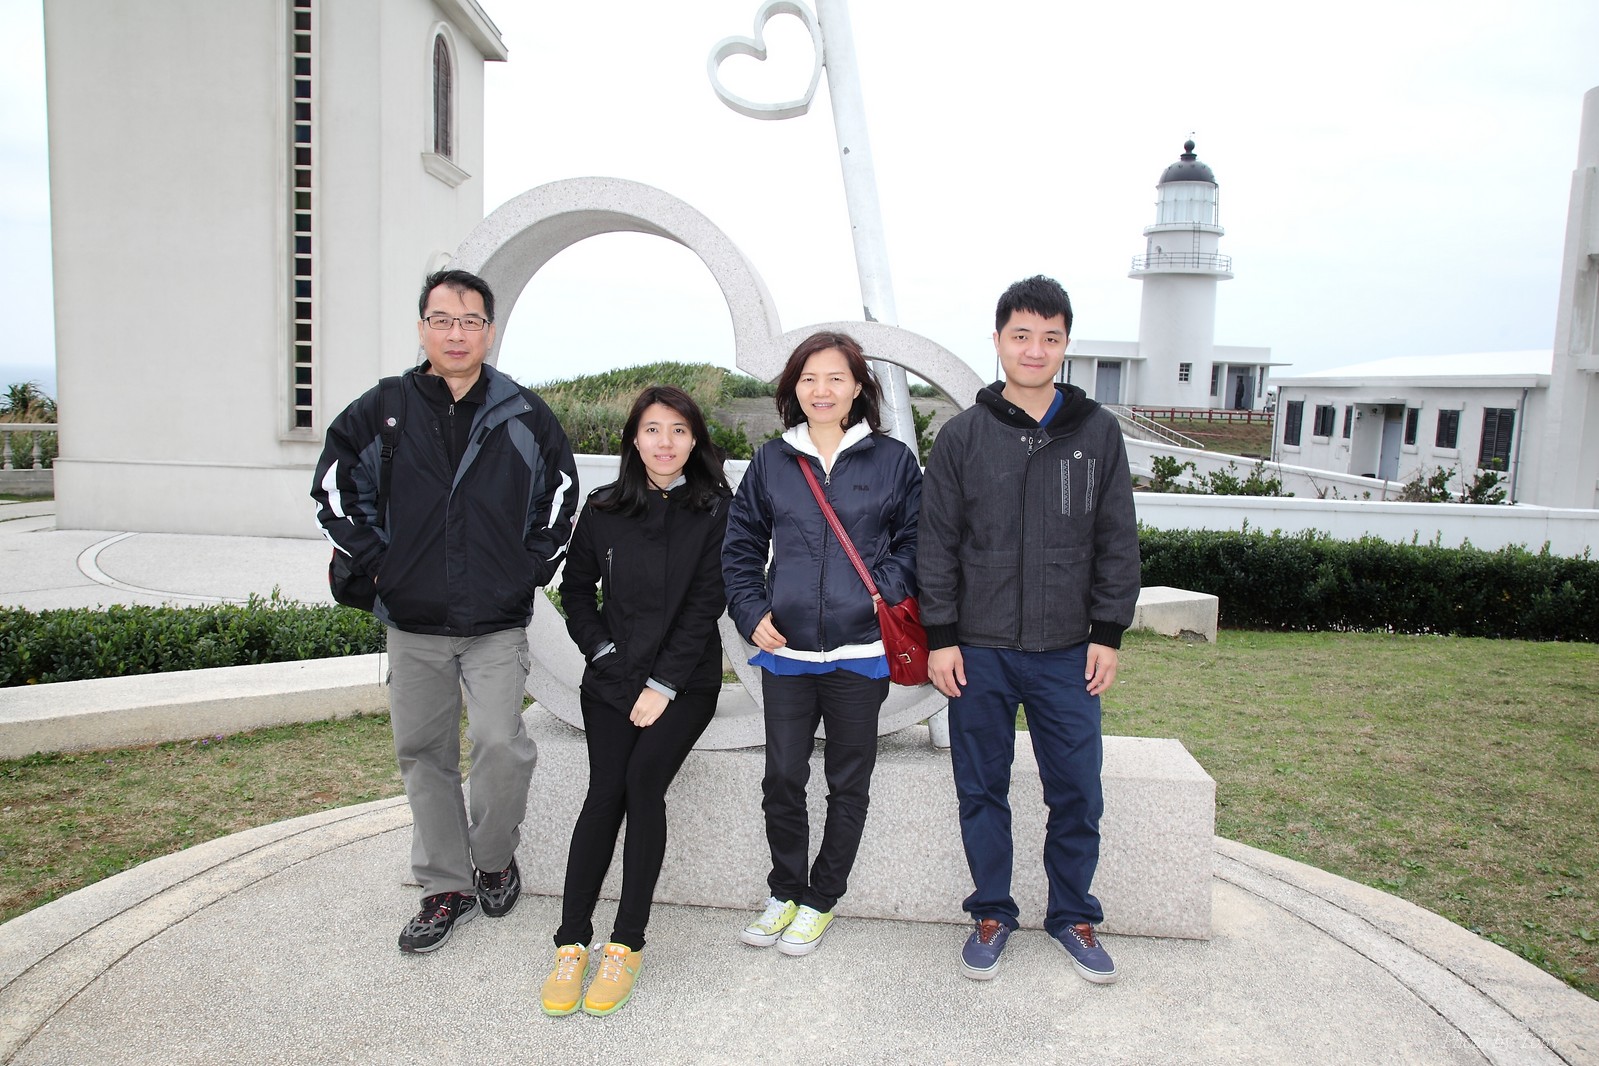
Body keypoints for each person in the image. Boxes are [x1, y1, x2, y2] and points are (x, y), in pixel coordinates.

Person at [311, 268, 578, 954]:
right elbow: (335, 491)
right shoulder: (383, 408)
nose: (455, 334)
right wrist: (382, 566)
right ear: (422, 327)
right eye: (442, 320)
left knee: (500, 745)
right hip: (414, 622)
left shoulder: (523, 414)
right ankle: (445, 885)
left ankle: (493, 858)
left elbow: (559, 498)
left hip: (495, 623)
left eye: (469, 321)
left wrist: (526, 571)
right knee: (424, 756)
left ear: (489, 331)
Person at [918, 275, 1140, 984]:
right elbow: (935, 545)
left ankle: (1072, 914)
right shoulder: (962, 436)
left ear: (1065, 344)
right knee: (981, 788)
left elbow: (1116, 538)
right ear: (998, 341)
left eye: (1049, 337)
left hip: (1067, 650)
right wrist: (941, 637)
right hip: (978, 651)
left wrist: (1107, 632)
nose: (1034, 349)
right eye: (1021, 335)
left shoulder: (1096, 433)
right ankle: (991, 911)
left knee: (1076, 789)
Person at [723, 331, 922, 956]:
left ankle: (821, 898)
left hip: (861, 654)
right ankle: (785, 890)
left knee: (847, 781)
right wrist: (752, 611)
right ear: (794, 388)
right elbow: (740, 546)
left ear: (858, 386)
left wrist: (878, 592)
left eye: (836, 377)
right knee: (783, 777)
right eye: (809, 378)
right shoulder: (772, 460)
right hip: (786, 652)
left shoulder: (893, 460)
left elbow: (918, 543)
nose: (822, 390)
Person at [540, 385, 731, 1018]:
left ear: (695, 440)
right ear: (634, 439)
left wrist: (662, 686)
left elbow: (706, 605)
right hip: (612, 678)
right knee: (605, 792)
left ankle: (626, 943)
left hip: (686, 682)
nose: (665, 442)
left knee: (643, 782)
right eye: (653, 429)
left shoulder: (715, 509)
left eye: (679, 430)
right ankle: (571, 942)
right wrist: (603, 654)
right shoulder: (603, 507)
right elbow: (576, 593)